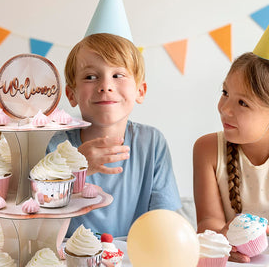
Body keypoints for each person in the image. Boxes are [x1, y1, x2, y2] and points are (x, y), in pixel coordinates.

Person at [47, 33, 181, 237]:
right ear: (71, 94)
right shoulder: (58, 146)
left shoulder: (152, 143)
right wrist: (76, 171)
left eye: (117, 75)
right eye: (90, 77)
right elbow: (44, 214)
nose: (105, 86)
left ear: (140, 91)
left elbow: (164, 218)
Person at [193, 52, 269, 263]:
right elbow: (209, 221)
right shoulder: (207, 149)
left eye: (243, 103)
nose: (224, 108)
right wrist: (224, 236)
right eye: (225, 92)